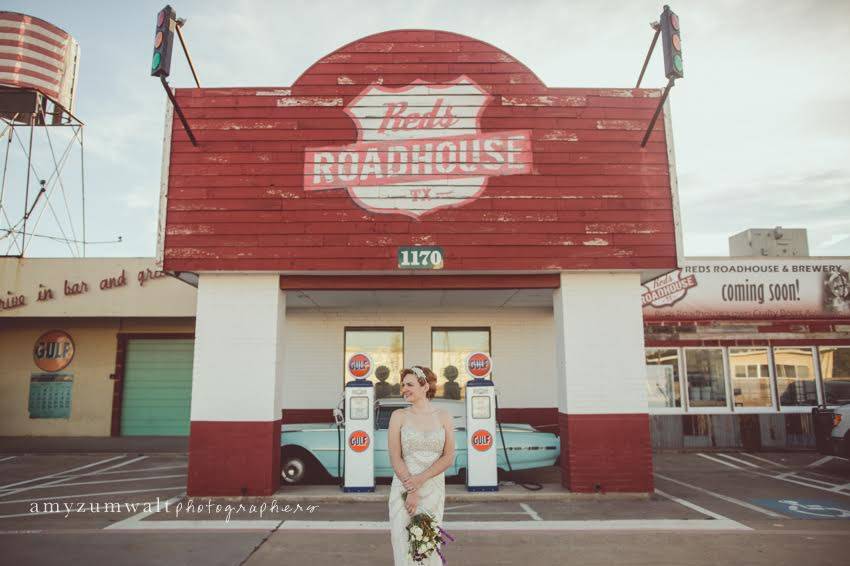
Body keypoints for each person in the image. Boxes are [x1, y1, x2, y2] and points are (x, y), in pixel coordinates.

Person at [388, 365, 455, 565]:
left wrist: (418, 483)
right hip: (403, 488)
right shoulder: (398, 416)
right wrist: (411, 488)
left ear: (425, 386)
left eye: (409, 384)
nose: (404, 389)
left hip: (432, 489)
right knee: (403, 544)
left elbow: (448, 457)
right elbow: (395, 457)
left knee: (427, 547)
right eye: (402, 385)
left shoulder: (444, 416)